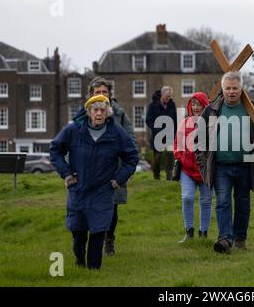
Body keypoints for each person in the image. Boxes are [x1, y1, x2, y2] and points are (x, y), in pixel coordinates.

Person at [50, 95, 139, 269]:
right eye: (95, 110)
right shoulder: (74, 130)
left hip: (103, 190)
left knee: (98, 232)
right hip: (79, 189)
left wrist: (118, 179)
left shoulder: (116, 132)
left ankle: (94, 269)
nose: (99, 113)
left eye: (103, 110)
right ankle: (80, 261)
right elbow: (55, 150)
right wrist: (67, 174)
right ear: (89, 112)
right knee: (79, 233)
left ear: (108, 113)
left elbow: (132, 157)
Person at [195, 71, 254, 254]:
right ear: (222, 89)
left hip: (245, 165)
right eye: (228, 88)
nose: (231, 92)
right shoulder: (212, 110)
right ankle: (225, 239)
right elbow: (199, 138)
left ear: (241, 89)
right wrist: (203, 164)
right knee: (223, 201)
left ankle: (240, 238)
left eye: (235, 88)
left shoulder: (250, 110)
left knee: (242, 202)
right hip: (221, 167)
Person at [73, 76, 136, 256]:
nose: (101, 95)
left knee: (112, 206)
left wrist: (127, 169)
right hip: (87, 170)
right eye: (97, 92)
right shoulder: (81, 115)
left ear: (110, 94)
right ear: (91, 95)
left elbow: (130, 140)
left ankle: (109, 240)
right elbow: (71, 141)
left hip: (113, 170)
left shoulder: (119, 114)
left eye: (105, 92)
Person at [174, 92, 213, 242]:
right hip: (187, 170)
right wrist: (180, 157)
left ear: (205, 105)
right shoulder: (185, 122)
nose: (196, 107)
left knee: (206, 201)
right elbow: (177, 143)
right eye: (194, 104)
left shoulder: (212, 122)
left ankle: (204, 233)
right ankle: (189, 232)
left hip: (205, 171)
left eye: (199, 104)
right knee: (187, 197)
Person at [146, 86, 177, 180]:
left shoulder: (172, 105)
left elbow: (175, 120)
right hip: (157, 136)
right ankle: (156, 177)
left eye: (170, 96)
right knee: (157, 158)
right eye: (167, 96)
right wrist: (157, 130)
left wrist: (174, 132)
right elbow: (148, 120)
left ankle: (169, 176)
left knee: (170, 157)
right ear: (162, 94)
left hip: (169, 135)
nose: (168, 98)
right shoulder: (152, 106)